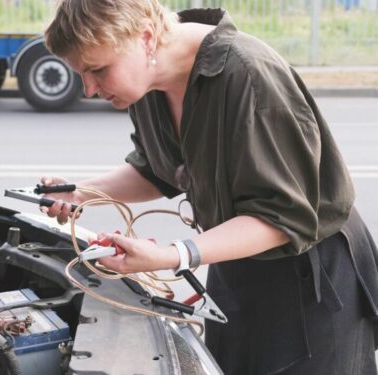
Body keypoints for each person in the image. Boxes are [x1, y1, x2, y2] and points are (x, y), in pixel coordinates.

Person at [40, 1, 378, 374]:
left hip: (310, 281)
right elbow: (159, 170)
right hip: (235, 266)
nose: (89, 89)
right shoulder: (148, 81)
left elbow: (284, 218)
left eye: (98, 70)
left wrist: (173, 255)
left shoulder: (248, 74)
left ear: (147, 38)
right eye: (81, 75)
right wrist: (79, 193)